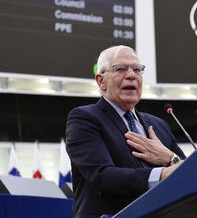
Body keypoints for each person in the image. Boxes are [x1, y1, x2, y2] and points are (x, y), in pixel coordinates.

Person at [66, 45, 186, 217]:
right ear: (101, 81)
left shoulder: (159, 125)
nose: (131, 75)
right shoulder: (84, 118)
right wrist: (162, 174)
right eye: (120, 69)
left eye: (137, 70)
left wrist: (169, 158)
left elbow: (191, 173)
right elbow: (103, 177)